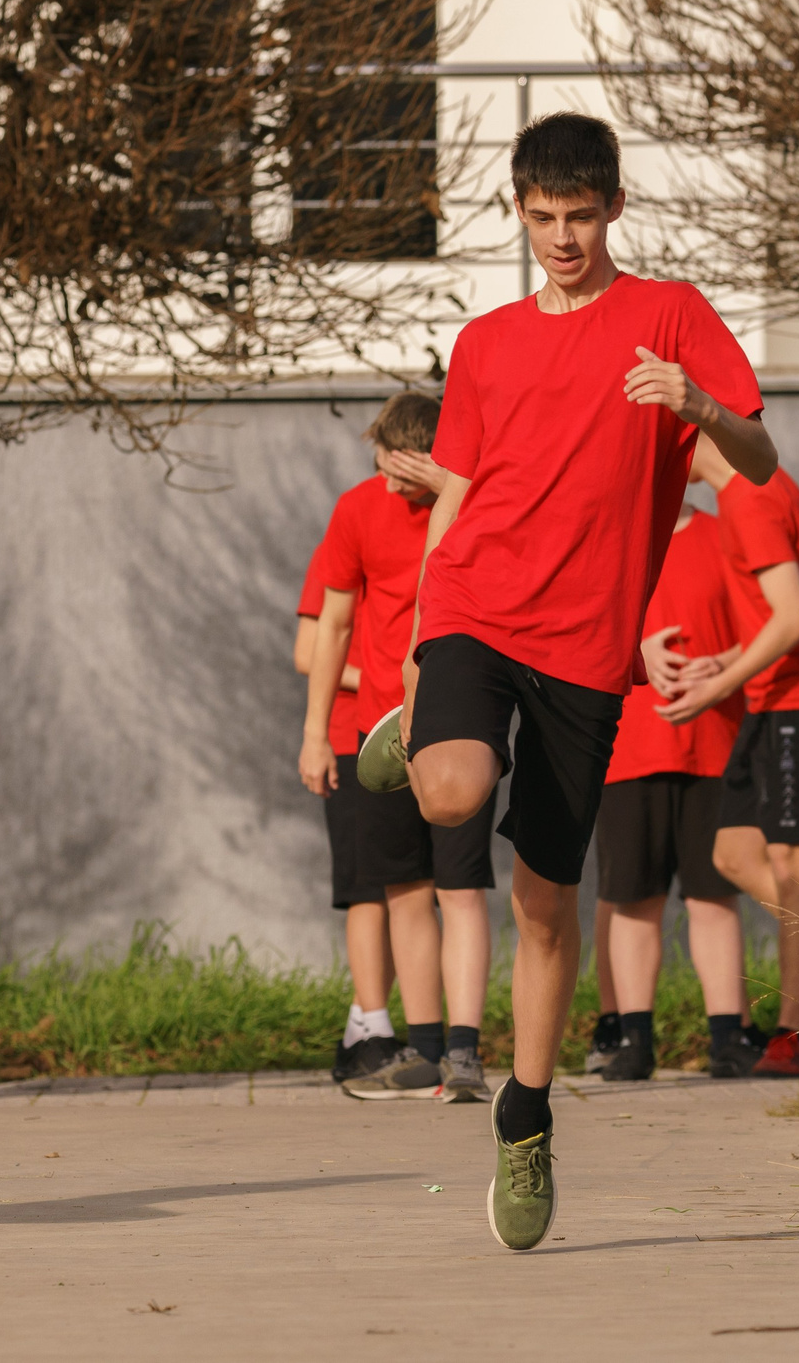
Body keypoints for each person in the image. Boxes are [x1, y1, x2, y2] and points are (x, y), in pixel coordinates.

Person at [361, 112, 774, 1251]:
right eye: (542, 217)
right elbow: (459, 496)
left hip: (584, 653)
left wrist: (698, 406)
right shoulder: (486, 343)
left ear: (614, 209)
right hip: (477, 607)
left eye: (580, 217)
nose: (561, 238)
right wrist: (416, 654)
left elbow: (759, 457)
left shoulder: (669, 316)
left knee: (545, 907)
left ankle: (528, 1114)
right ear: (520, 211)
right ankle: (428, 729)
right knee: (451, 791)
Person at [300, 391, 492, 1103]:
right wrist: (316, 733)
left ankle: (466, 1054)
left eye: (395, 466)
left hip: (462, 722)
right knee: (405, 889)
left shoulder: (482, 506)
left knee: (461, 889)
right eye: (379, 464)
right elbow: (332, 627)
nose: (384, 480)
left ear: (424, 458)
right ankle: (426, 1049)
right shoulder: (357, 509)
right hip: (377, 735)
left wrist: (456, 490)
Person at [660, 437, 799, 1079]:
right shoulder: (745, 493)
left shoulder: (751, 497)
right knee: (733, 853)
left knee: (794, 867)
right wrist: (726, 661)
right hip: (773, 696)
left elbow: (796, 618)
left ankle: (794, 1034)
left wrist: (717, 685)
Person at [590, 500, 757, 1082]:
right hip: (628, 746)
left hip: (715, 745)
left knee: (714, 897)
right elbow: (576, 621)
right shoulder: (612, 530)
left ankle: (727, 1038)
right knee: (635, 898)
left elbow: (766, 627)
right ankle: (634, 1039)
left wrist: (724, 664)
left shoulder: (726, 533)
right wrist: (639, 649)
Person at [296, 524, 393, 1085]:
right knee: (367, 889)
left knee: (408, 892)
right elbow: (306, 652)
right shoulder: (340, 548)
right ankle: (370, 1027)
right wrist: (383, 677)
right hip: (350, 738)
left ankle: (364, 1025)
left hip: (402, 739)